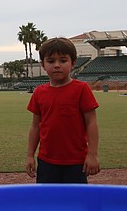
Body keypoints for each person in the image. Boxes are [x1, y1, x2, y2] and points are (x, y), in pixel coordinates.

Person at [26, 37, 100, 184]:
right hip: (47, 161)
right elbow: (35, 126)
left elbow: (91, 123)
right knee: (49, 202)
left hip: (76, 161)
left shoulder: (81, 89)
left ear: (73, 63)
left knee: (76, 202)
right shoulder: (39, 92)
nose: (57, 65)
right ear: (43, 65)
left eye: (63, 60)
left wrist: (92, 155)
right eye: (51, 61)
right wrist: (30, 155)